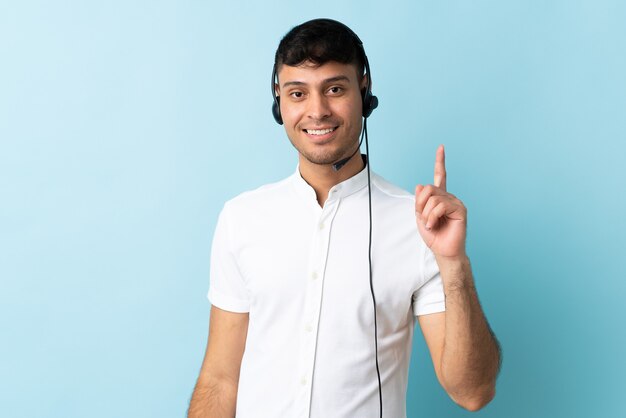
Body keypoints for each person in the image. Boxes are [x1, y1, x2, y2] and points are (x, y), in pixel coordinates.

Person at [188, 18, 501, 418]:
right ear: (278, 103)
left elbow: (472, 392)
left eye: (334, 89)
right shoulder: (241, 218)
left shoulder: (419, 225)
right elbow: (219, 378)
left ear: (364, 92)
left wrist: (454, 263)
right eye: (297, 93)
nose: (317, 111)